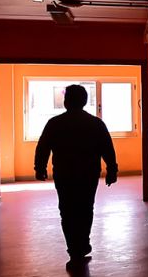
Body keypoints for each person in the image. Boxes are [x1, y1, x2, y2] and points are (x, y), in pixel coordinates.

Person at [34, 84, 118, 265]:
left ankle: (74, 249)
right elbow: (107, 149)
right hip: (88, 175)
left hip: (64, 175)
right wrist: (112, 170)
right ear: (85, 102)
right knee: (86, 208)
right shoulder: (95, 123)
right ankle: (83, 243)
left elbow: (43, 148)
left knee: (67, 210)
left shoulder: (55, 123)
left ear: (66, 102)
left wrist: (39, 168)